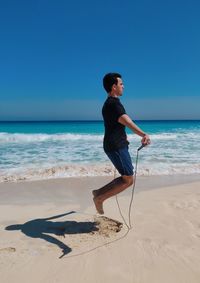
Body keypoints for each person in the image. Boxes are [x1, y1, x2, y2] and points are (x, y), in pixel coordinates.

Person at [92, 72, 151, 214]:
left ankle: (98, 193)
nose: (123, 86)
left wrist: (123, 137)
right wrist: (143, 134)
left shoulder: (110, 104)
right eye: (121, 84)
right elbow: (127, 121)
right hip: (115, 146)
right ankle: (99, 198)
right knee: (128, 180)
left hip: (117, 144)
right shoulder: (113, 104)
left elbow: (117, 125)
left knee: (128, 179)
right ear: (114, 87)